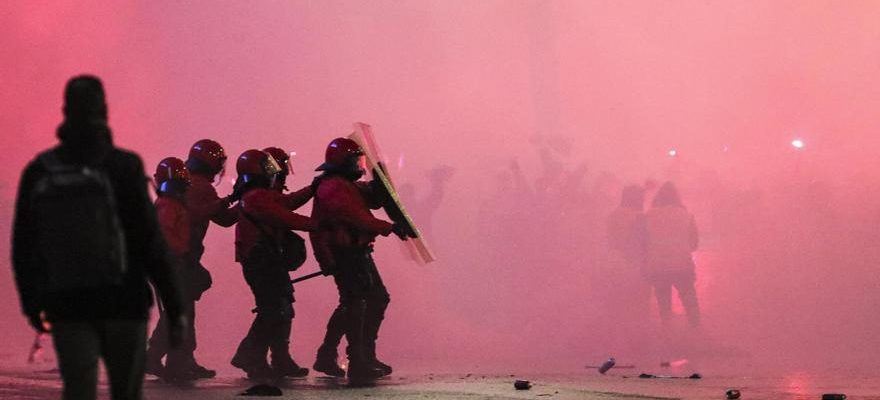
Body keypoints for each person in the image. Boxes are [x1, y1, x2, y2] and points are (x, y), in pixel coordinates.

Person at [11, 75, 184, 400]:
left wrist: (32, 303)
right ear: (104, 110)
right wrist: (175, 305)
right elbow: (150, 241)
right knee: (126, 392)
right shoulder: (125, 166)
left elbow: (23, 246)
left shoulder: (40, 170)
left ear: (66, 111)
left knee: (79, 390)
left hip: (68, 301)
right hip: (125, 301)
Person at [309, 138, 411, 380]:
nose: (359, 165)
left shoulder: (345, 184)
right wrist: (390, 227)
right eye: (355, 161)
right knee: (355, 303)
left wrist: (381, 183)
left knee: (367, 300)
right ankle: (357, 360)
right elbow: (356, 217)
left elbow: (372, 198)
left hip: (356, 251)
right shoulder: (333, 186)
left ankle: (351, 354)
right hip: (344, 253)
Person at [151, 139, 238, 378]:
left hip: (180, 258)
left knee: (182, 310)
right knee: (181, 312)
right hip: (181, 259)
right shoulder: (200, 187)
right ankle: (166, 359)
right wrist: (237, 200)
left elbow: (221, 217)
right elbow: (215, 216)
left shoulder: (183, 187)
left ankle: (178, 360)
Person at [230, 149, 317, 379]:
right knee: (273, 310)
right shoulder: (256, 197)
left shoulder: (258, 195)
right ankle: (251, 356)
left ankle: (273, 359)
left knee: (280, 308)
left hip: (267, 259)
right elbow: (285, 216)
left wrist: (311, 189)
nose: (276, 172)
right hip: (262, 261)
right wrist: (319, 224)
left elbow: (285, 203)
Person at [145, 158, 200, 380]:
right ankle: (164, 360)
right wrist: (184, 254)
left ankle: (172, 361)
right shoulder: (168, 205)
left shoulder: (169, 204)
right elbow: (166, 238)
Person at [642, 182, 701, 327]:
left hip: (657, 265)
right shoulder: (686, 215)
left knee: (664, 303)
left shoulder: (648, 216)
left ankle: (668, 335)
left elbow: (643, 241)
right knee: (690, 301)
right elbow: (694, 243)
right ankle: (696, 332)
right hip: (682, 264)